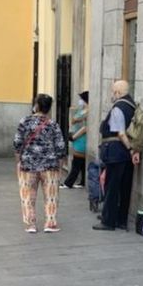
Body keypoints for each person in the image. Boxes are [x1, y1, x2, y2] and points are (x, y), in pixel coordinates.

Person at [13, 94, 66, 234]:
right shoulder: (53, 124)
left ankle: (31, 225)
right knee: (51, 195)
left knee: (27, 196)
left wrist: (18, 162)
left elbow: (17, 143)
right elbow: (60, 146)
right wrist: (60, 166)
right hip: (50, 166)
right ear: (49, 108)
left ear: (36, 105)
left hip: (28, 165)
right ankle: (50, 223)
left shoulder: (24, 121)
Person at [93, 80, 139, 231]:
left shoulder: (119, 107)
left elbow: (120, 132)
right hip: (125, 154)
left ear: (118, 92)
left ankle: (108, 221)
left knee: (112, 186)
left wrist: (130, 148)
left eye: (113, 92)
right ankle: (120, 220)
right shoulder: (133, 105)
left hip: (116, 152)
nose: (112, 95)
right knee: (125, 187)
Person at [61, 91, 88, 189]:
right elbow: (73, 119)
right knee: (81, 162)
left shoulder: (87, 112)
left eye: (81, 99)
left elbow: (85, 127)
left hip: (81, 138)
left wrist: (74, 136)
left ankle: (68, 183)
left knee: (76, 161)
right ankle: (83, 182)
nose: (80, 101)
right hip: (77, 137)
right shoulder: (82, 109)